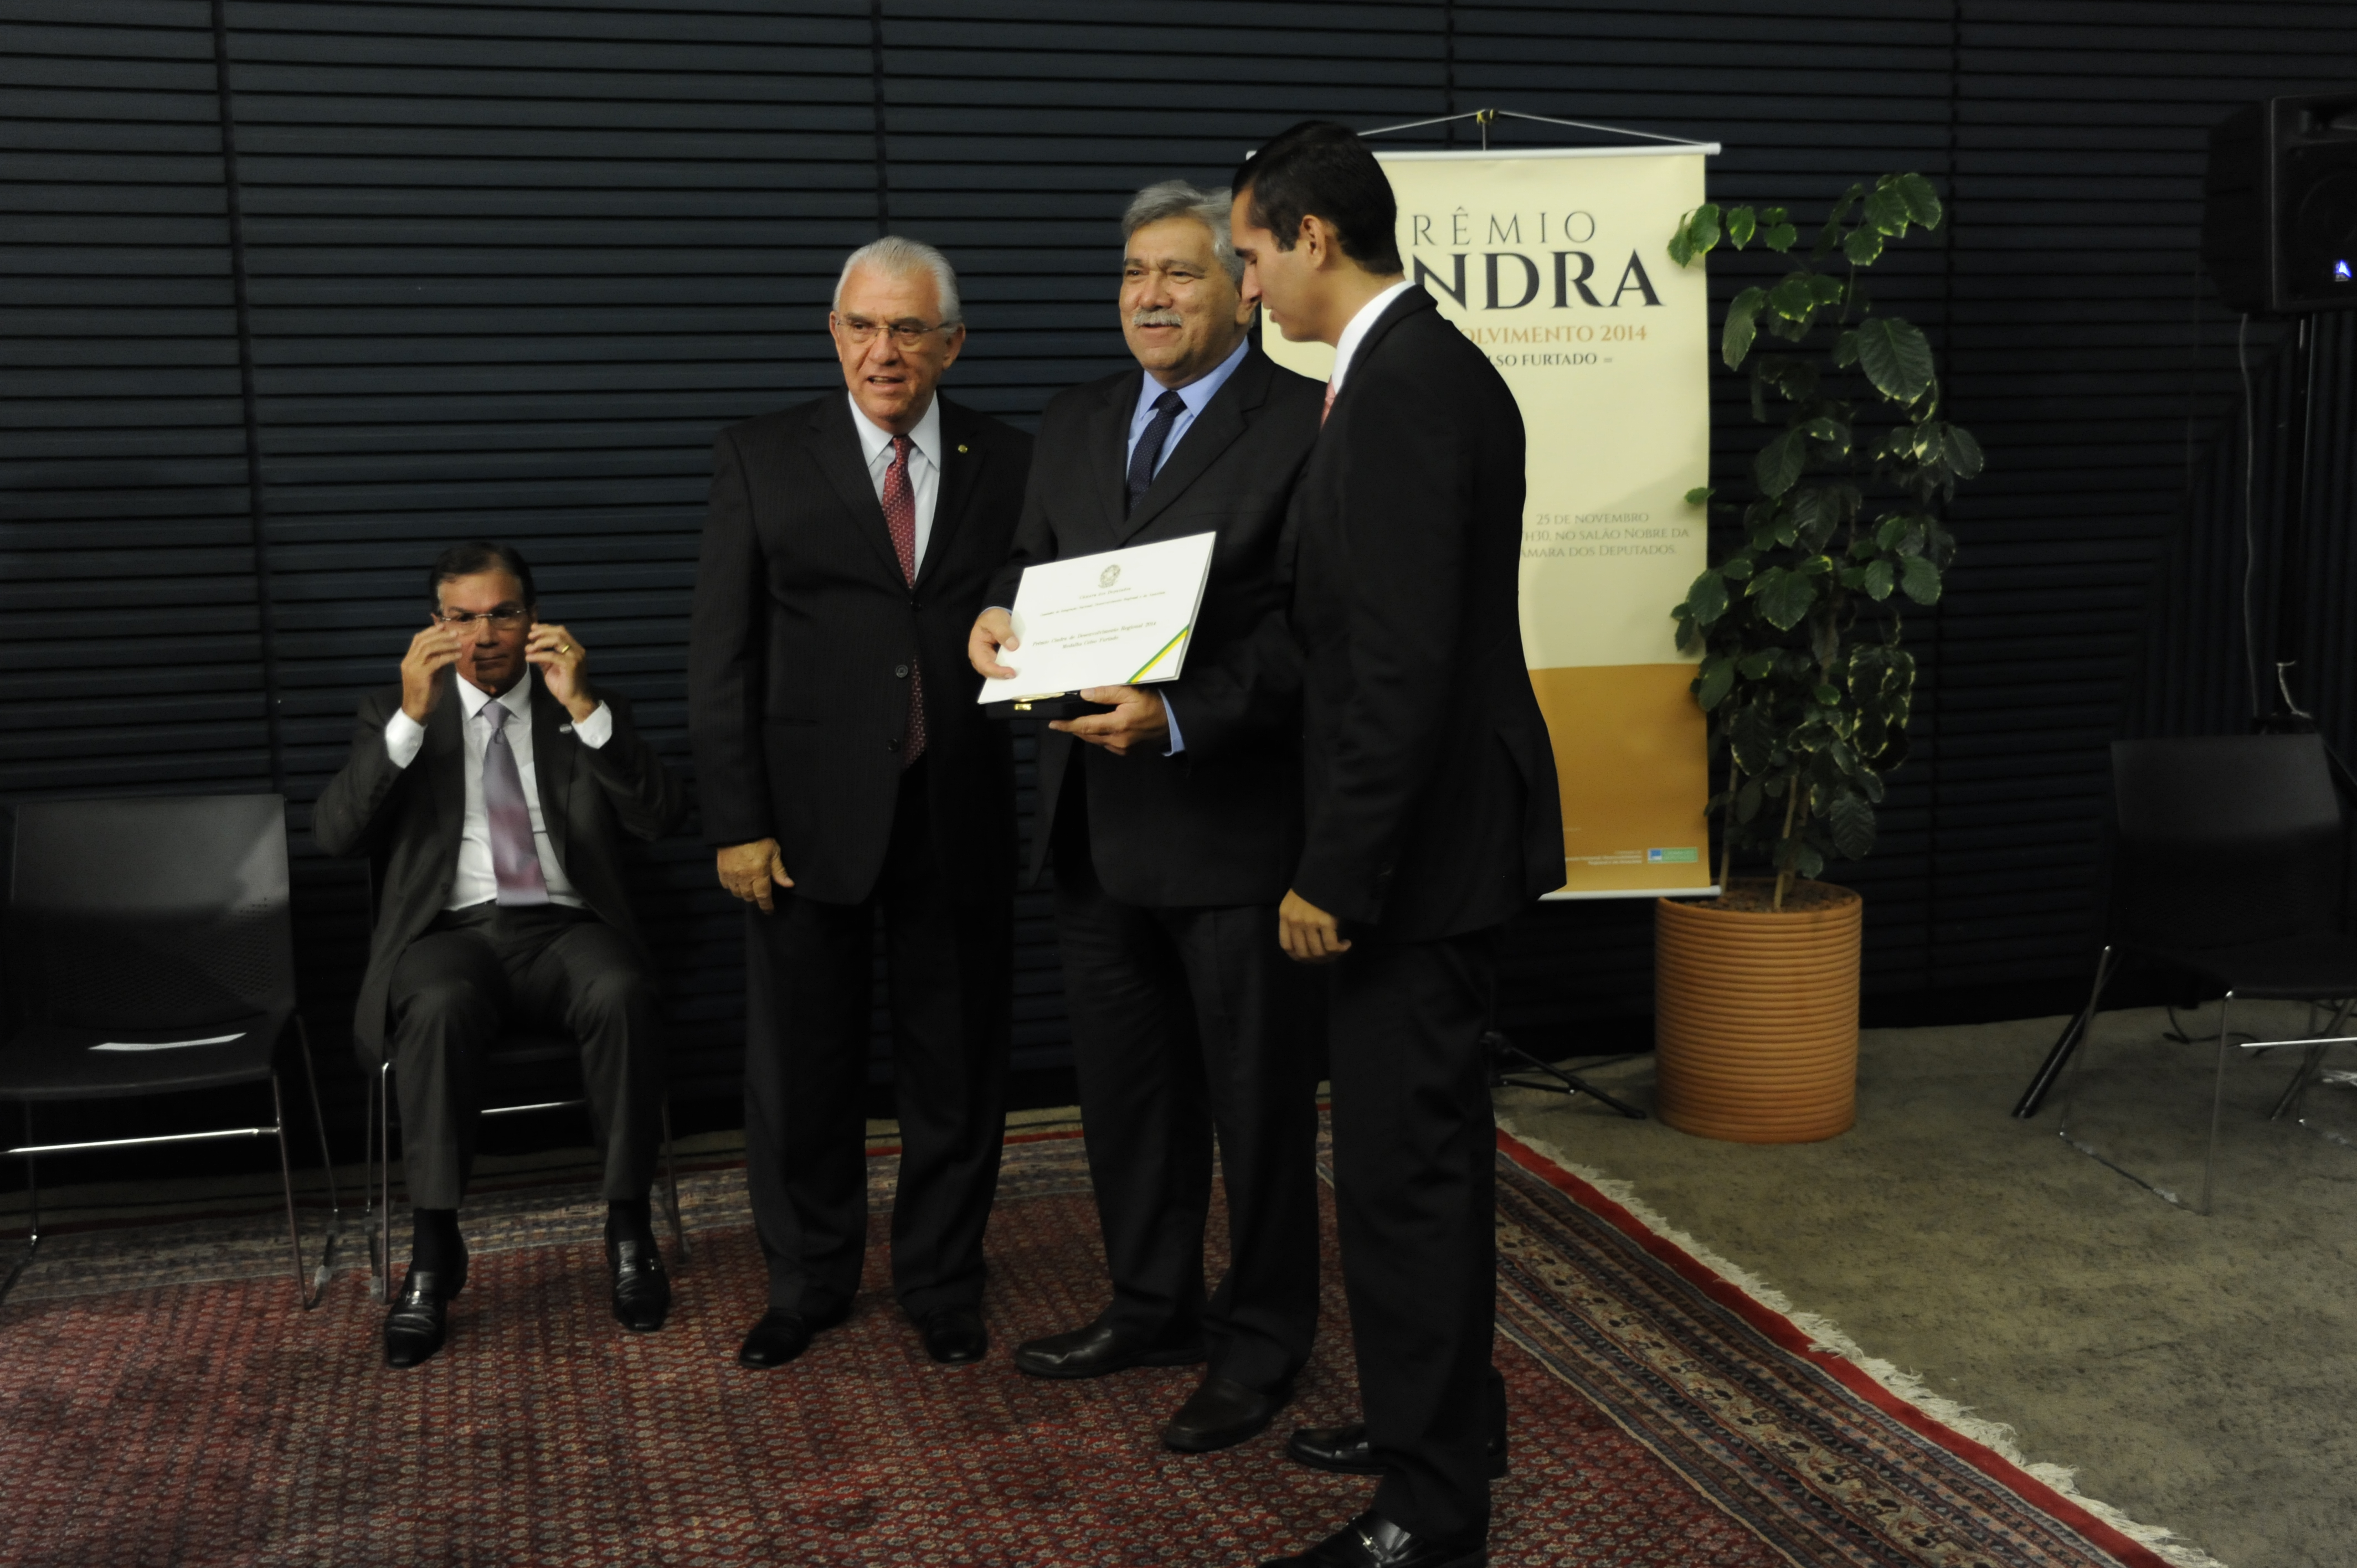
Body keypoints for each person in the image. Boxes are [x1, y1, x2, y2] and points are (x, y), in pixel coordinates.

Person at [1229, 122, 1567, 1568]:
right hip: (1428, 848)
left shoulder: (1409, 386)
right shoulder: (1401, 372)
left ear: (1312, 237)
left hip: (1412, 866)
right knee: (1426, 1162)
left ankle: (1429, 1517)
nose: (1246, 287)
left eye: (1250, 254)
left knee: (1401, 1179)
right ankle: (1445, 1421)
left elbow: (1402, 664)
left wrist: (1336, 872)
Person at [967, 182, 1325, 1452]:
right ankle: (1151, 1306)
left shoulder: (1306, 421)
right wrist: (997, 615)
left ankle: (1264, 1341)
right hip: (1090, 824)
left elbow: (1313, 631)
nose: (1150, 296)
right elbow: (1031, 564)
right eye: (1132, 273)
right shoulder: (1074, 417)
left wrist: (1180, 718)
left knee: (1255, 1111)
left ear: (1242, 287)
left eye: (1179, 272)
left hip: (1228, 825)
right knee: (1128, 1101)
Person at [689, 236, 1032, 1371]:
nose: (885, 352)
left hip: (957, 806)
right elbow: (722, 655)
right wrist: (737, 821)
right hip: (801, 824)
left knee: (957, 1068)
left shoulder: (1013, 458)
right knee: (803, 1071)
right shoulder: (760, 455)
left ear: (952, 344)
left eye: (909, 329)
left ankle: (942, 1280)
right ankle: (807, 1282)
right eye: (864, 327)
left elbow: (1032, 599)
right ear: (834, 335)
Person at [315, 540, 687, 1369]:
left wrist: (584, 707)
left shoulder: (581, 704)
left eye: (503, 614)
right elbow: (336, 835)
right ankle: (433, 1250)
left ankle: (630, 1231)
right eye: (462, 619)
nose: (484, 636)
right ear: (434, 627)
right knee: (438, 1005)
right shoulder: (393, 712)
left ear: (534, 619)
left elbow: (663, 818)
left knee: (623, 991)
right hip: (450, 936)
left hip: (563, 928)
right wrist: (411, 720)